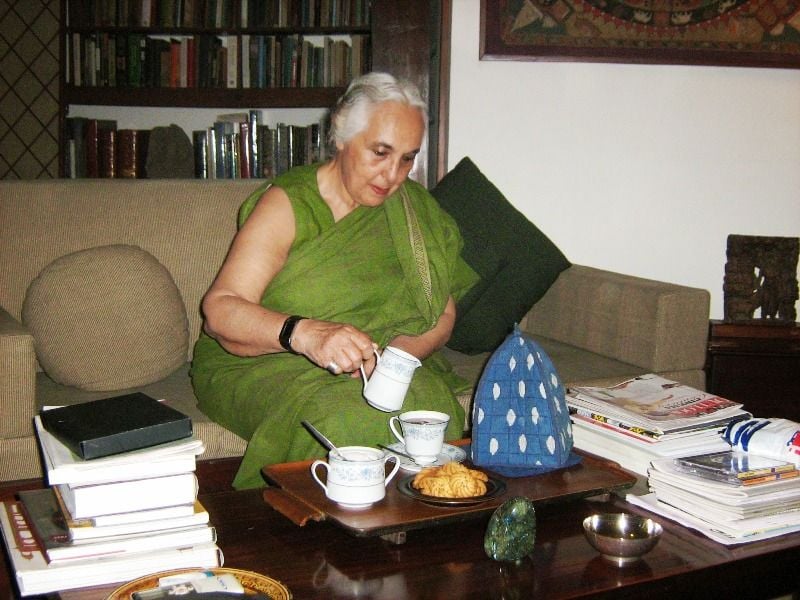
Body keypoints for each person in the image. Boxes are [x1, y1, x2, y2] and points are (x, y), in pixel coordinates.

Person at [190, 72, 479, 489]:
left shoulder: (415, 211)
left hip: (369, 362)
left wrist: (394, 360)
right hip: (264, 360)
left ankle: (408, 538)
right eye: (380, 153)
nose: (392, 175)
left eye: (406, 158)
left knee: (430, 411)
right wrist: (307, 334)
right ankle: (311, 542)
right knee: (342, 417)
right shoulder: (290, 204)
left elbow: (442, 310)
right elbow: (222, 309)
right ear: (342, 134)